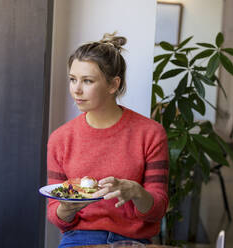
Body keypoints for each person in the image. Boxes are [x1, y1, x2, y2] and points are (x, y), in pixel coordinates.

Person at [46, 33, 169, 247]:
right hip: (80, 238)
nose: (76, 89)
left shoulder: (151, 134)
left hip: (133, 240)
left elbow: (157, 210)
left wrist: (137, 193)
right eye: (73, 79)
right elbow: (55, 215)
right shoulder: (60, 139)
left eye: (87, 81)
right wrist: (66, 208)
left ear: (113, 85)